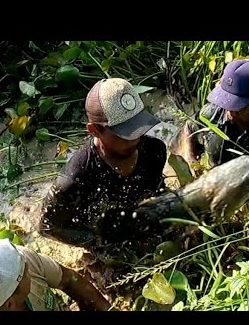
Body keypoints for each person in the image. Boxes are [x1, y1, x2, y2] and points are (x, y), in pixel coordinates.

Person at [39, 78, 167, 248]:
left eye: (138, 128)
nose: (135, 138)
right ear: (94, 130)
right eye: (125, 134)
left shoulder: (154, 151)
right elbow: (47, 227)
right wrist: (100, 241)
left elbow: (157, 192)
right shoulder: (77, 177)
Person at [178, 59, 249, 178]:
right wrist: (190, 158)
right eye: (226, 103)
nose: (230, 113)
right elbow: (189, 127)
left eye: (239, 107)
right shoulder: (212, 113)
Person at [0, 238, 112, 311]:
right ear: (10, 303)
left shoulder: (16, 260)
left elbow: (70, 280)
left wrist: (106, 309)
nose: (26, 263)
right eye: (23, 271)